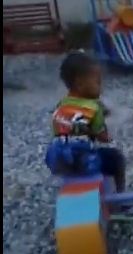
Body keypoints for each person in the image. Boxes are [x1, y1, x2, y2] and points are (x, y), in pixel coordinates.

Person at [48, 51, 126, 194]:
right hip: (83, 161)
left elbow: (60, 130)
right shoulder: (94, 108)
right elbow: (103, 137)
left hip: (58, 161)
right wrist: (105, 129)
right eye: (97, 82)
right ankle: (121, 197)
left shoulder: (61, 106)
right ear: (80, 83)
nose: (101, 87)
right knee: (116, 158)